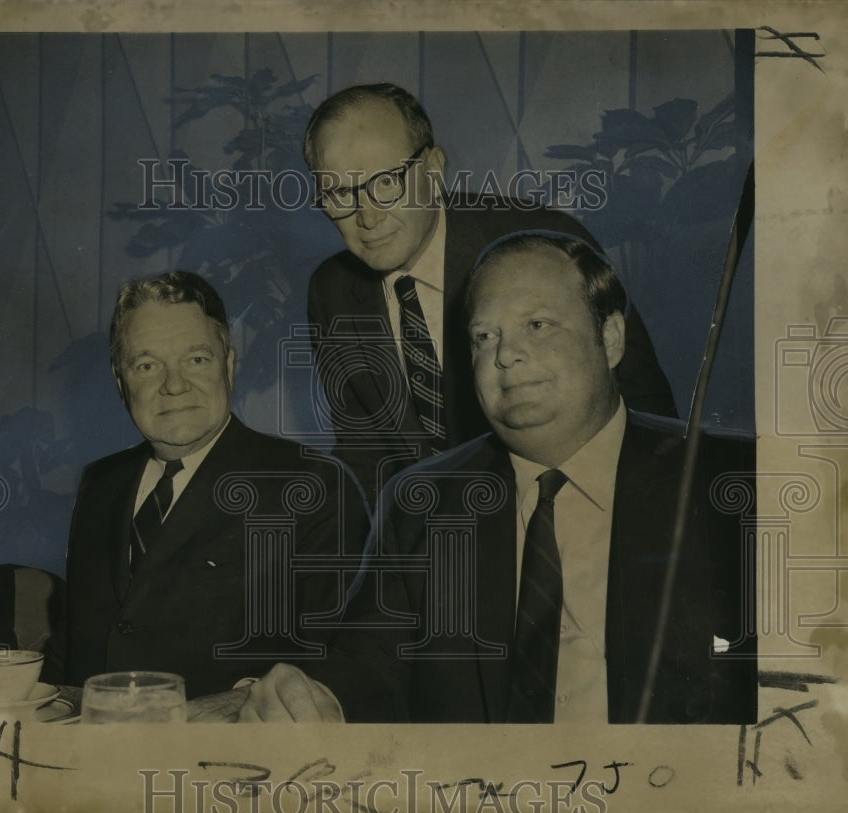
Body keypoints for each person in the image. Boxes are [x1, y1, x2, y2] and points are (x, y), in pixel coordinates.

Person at [236, 232, 756, 724]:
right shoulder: (422, 503)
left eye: (537, 325)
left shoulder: (739, 484)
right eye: (485, 336)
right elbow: (369, 664)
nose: (506, 354)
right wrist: (317, 699)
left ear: (611, 337)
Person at [304, 82, 677, 502]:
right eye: (339, 192)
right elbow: (365, 453)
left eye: (387, 182)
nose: (367, 217)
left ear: (433, 168)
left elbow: (647, 410)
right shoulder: (331, 290)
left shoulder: (544, 245)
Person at [41, 271, 368, 699]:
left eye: (196, 359)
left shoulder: (312, 486)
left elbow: (340, 665)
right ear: (121, 382)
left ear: (228, 365)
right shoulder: (100, 483)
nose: (174, 386)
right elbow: (73, 644)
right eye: (146, 365)